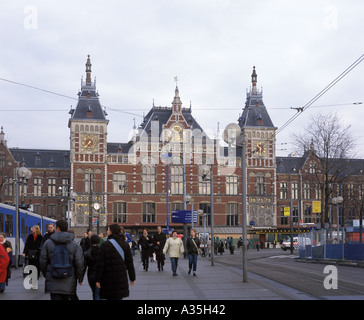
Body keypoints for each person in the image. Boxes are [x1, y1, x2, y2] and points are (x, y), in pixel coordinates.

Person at [39, 220, 84, 300]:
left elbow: (42, 261)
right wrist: (77, 277)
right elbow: (79, 263)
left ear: (58, 228)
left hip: (53, 278)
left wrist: (47, 274)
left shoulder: (48, 243)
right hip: (69, 278)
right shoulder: (75, 245)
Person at [95, 224, 135, 300]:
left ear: (111, 231)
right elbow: (129, 263)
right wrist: (132, 278)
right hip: (120, 278)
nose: (107, 231)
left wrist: (97, 279)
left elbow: (100, 264)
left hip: (108, 278)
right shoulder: (125, 245)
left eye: (108, 230)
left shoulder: (104, 245)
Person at [80, 234, 100, 300]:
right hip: (101, 275)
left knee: (94, 292)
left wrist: (81, 279)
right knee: (98, 293)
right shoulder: (102, 251)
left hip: (91, 275)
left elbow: (84, 267)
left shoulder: (87, 253)